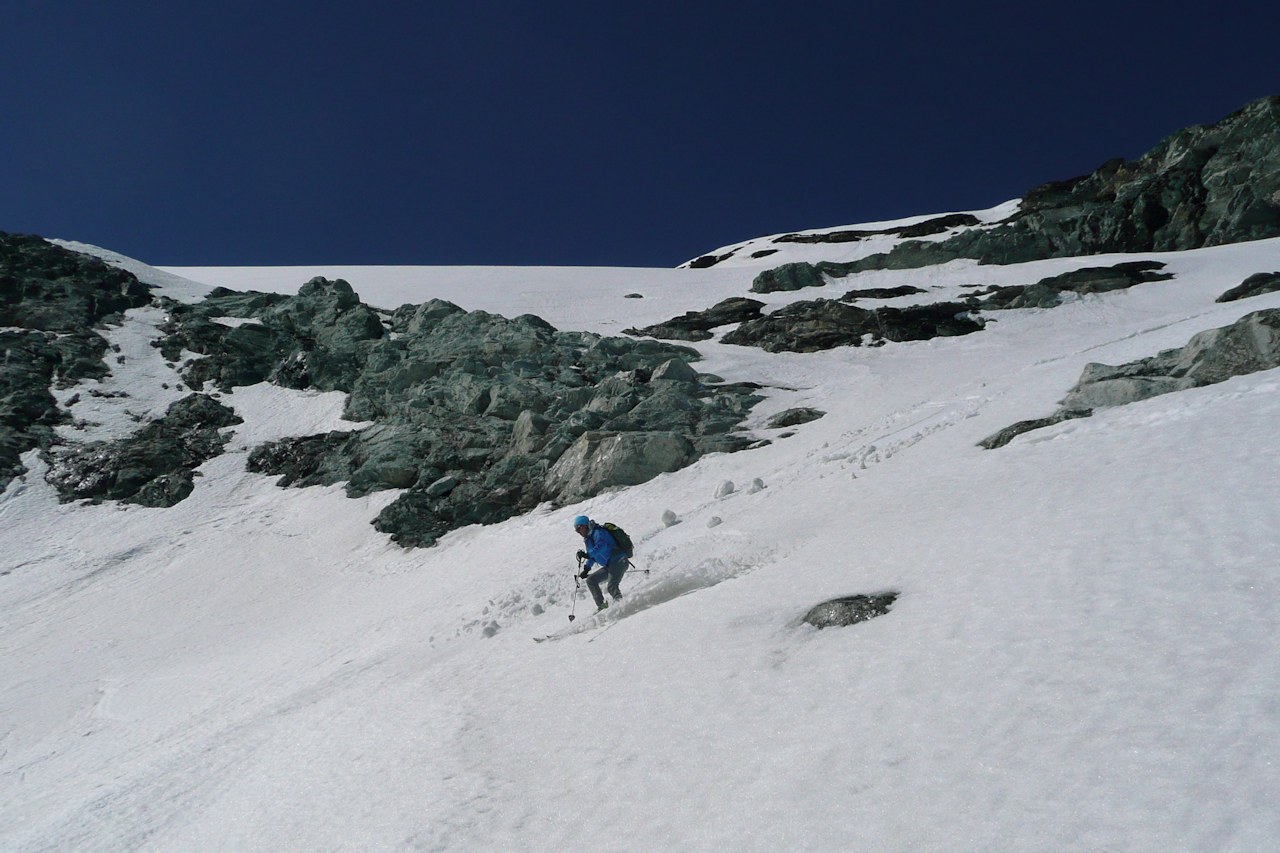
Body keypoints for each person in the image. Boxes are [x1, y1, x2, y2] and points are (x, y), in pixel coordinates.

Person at [573, 515, 628, 612]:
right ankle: (602, 606)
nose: (578, 532)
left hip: (619, 560)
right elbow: (593, 556)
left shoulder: (598, 532)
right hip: (610, 565)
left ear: (585, 525)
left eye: (579, 528)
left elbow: (602, 546)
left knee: (611, 586)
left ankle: (621, 606)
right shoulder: (588, 539)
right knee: (591, 580)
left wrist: (588, 555)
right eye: (576, 530)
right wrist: (586, 569)